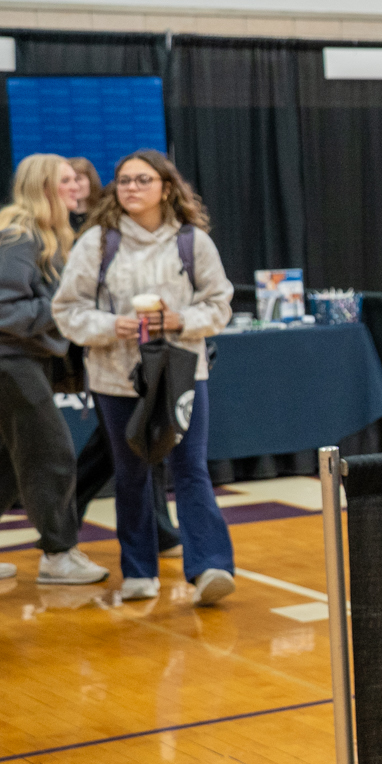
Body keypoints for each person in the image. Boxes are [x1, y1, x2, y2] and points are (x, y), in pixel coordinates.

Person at [52, 150, 236, 604]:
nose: (131, 188)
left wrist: (179, 320)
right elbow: (67, 309)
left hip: (181, 373)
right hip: (115, 376)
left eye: (142, 180)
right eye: (124, 181)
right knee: (130, 471)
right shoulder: (97, 241)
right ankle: (138, 570)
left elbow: (219, 305)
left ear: (166, 188)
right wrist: (108, 326)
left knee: (190, 469)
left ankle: (211, 567)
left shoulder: (193, 242)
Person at [0, 156, 105, 587]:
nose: (75, 187)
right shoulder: (20, 235)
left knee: (7, 462)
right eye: (65, 181)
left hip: (20, 358)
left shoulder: (43, 233)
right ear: (45, 187)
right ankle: (59, 555)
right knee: (51, 454)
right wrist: (64, 308)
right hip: (10, 359)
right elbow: (5, 309)